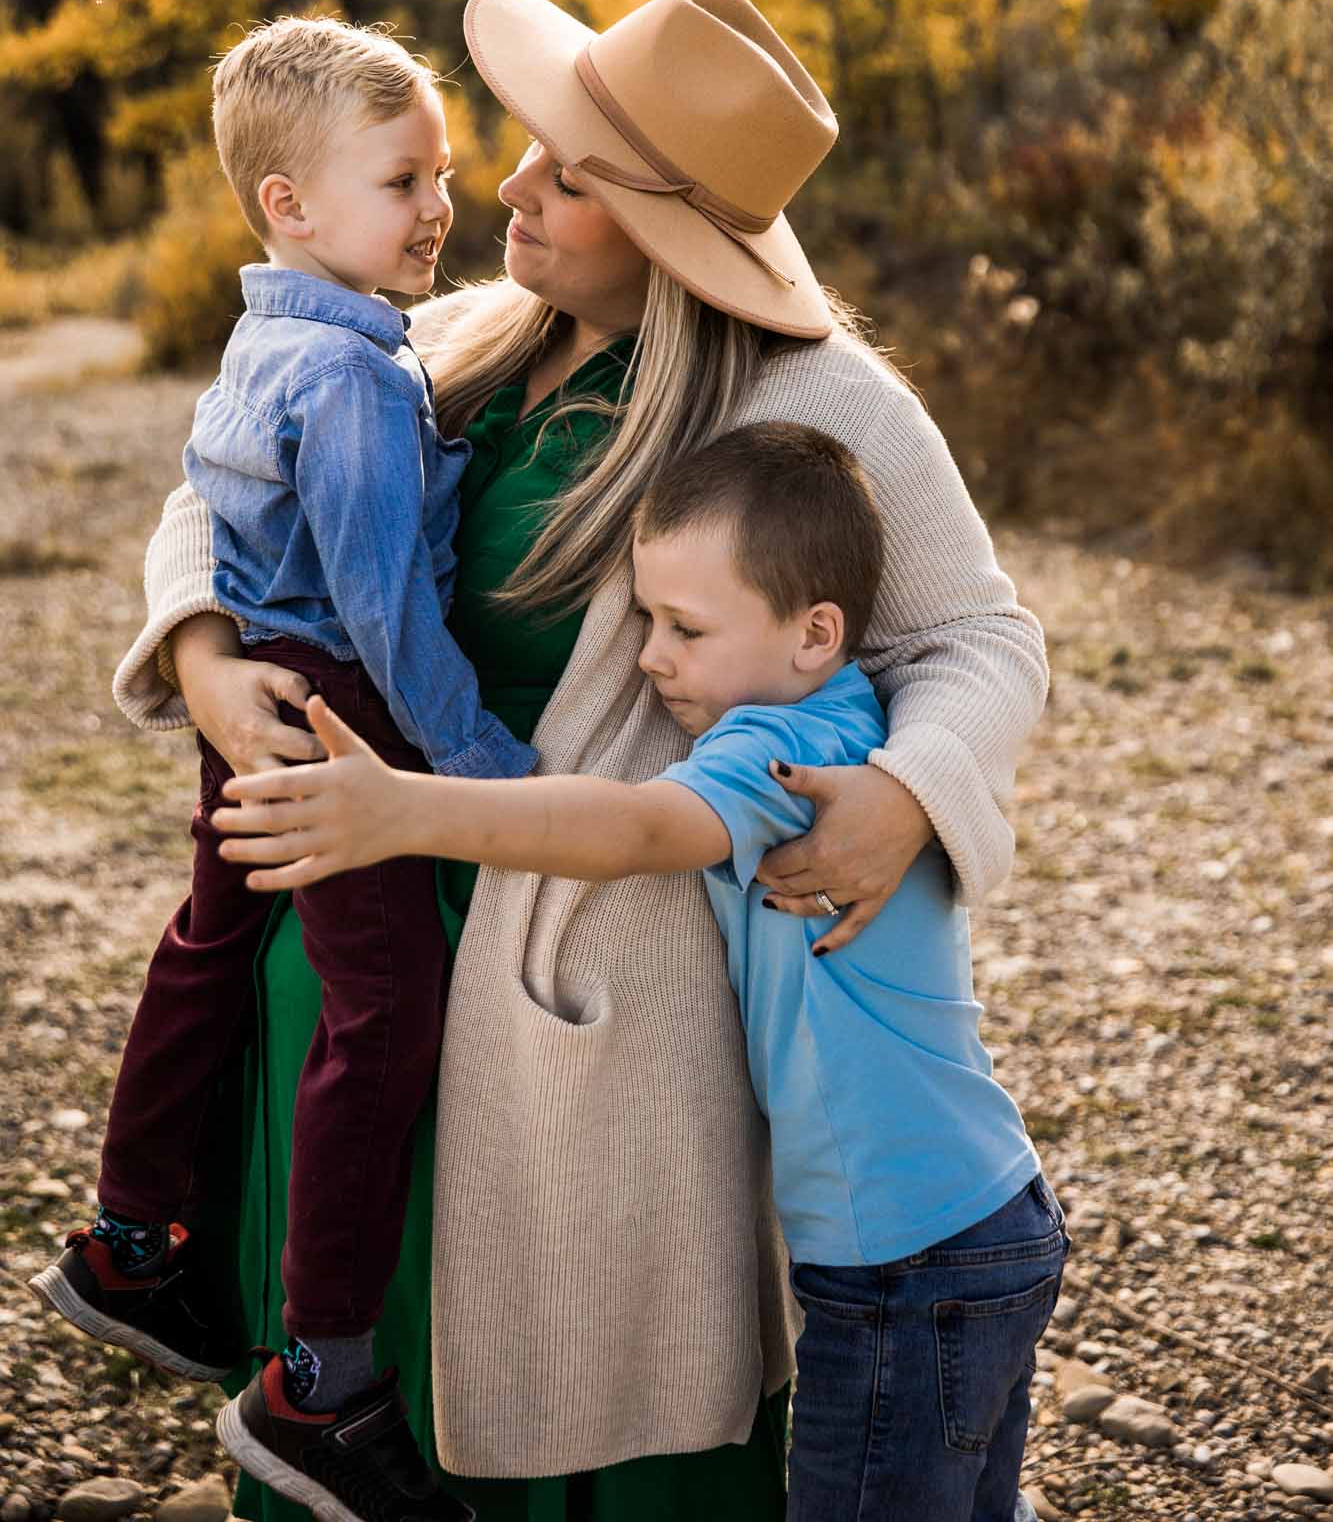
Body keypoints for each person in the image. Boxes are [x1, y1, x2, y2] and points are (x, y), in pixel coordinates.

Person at [109, 0, 1050, 1521]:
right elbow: (219, 488)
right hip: (345, 940)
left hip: (569, 999)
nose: (510, 187)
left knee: (563, 1415)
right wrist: (207, 659)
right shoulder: (457, 333)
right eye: (532, 148)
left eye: (570, 173)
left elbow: (981, 640)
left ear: (673, 234)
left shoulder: (807, 393)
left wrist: (901, 792)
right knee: (350, 1368)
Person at [215, 417, 1068, 1522]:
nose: (651, 653)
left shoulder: (789, 752)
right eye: (644, 618)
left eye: (683, 626)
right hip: (970, 1217)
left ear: (815, 631)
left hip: (907, 1261)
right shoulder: (840, 707)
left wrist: (406, 810)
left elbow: (638, 829)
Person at [36, 17, 537, 1522]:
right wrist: (487, 772)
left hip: (249, 679)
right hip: (329, 709)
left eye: (442, 172)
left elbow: (212, 495)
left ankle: (130, 1239)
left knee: (210, 934)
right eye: (404, 180)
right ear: (291, 208)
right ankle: (320, 1377)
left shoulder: (268, 338)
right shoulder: (360, 384)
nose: (441, 207)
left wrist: (207, 660)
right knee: (383, 1014)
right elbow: (386, 614)